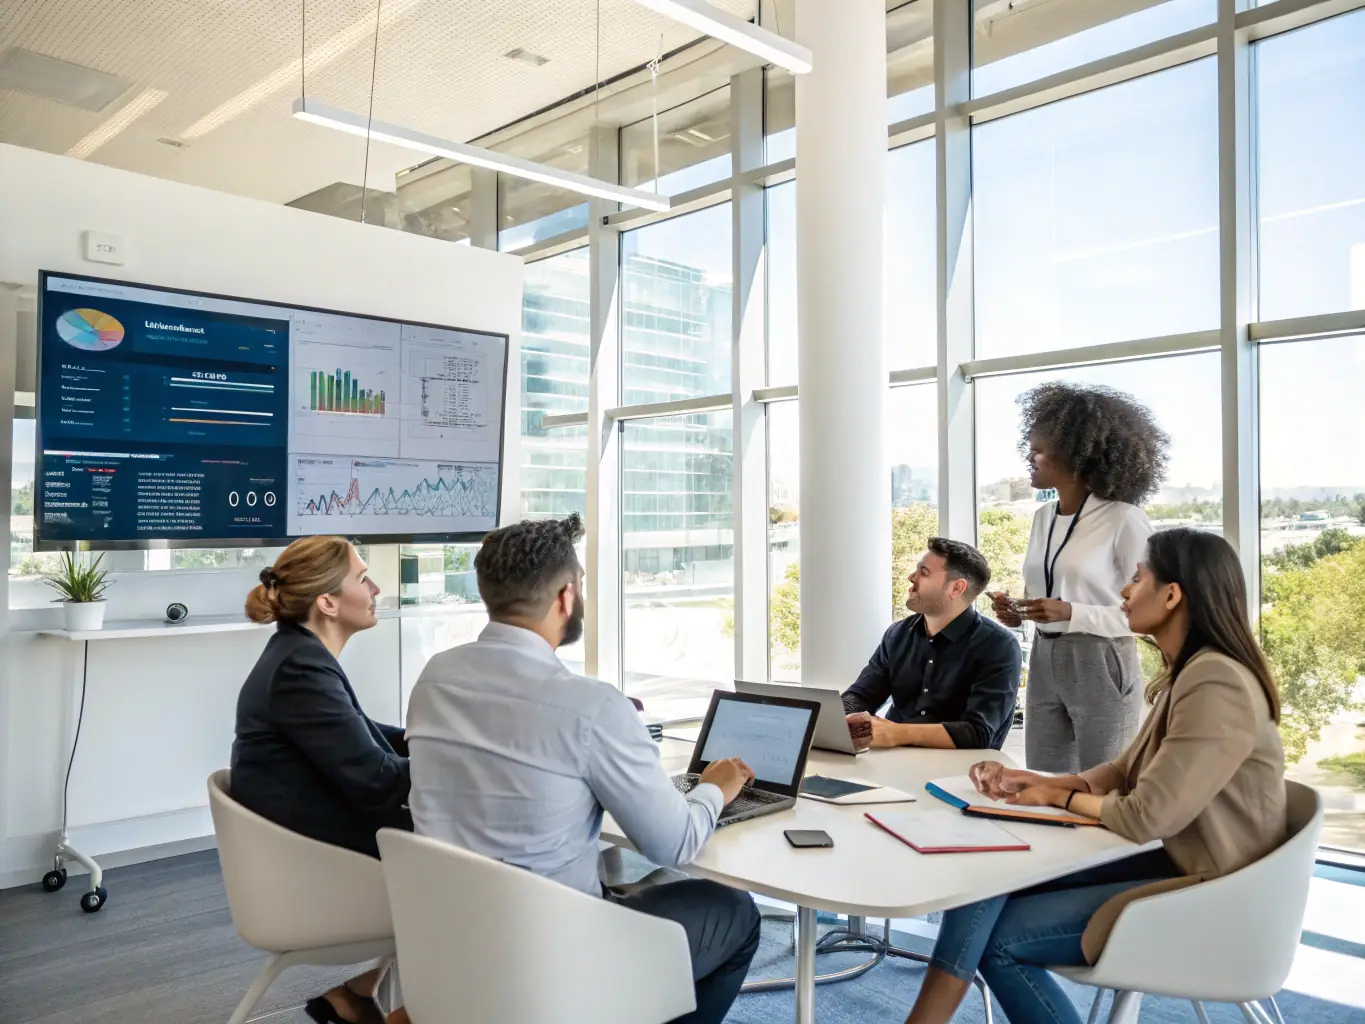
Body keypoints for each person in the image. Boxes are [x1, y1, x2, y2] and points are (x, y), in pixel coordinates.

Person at [902, 528, 1287, 1024]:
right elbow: (1127, 770)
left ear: (1172, 595)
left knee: (1000, 942)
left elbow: (1144, 816)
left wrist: (1052, 798)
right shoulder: (1191, 672)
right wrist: (1044, 784)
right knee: (987, 880)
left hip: (1215, 891)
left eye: (1137, 578)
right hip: (1181, 862)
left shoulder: (1216, 680)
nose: (1124, 591)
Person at [405, 514, 761, 1024]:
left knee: (636, 888)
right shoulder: (591, 706)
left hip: (453, 942)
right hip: (558, 956)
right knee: (735, 910)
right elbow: (674, 843)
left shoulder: (434, 678)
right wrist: (712, 789)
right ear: (566, 596)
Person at [232, 537, 410, 1024]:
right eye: (362, 577)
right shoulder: (300, 668)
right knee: (475, 861)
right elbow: (379, 782)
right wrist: (470, 763)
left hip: (310, 850)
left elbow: (366, 736)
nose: (375, 587)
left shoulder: (297, 655)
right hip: (312, 878)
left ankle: (355, 995)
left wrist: (431, 739)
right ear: (327, 602)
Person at [988, 382, 1171, 773]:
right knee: (1044, 779)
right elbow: (1044, 595)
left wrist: (1072, 613)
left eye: (1038, 449)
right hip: (1044, 656)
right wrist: (1018, 612)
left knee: (1104, 780)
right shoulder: (1042, 518)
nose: (1029, 457)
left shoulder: (1123, 519)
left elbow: (1152, 614)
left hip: (1101, 657)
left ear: (1076, 453)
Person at [842, 537, 1022, 751]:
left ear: (956, 588)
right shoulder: (897, 634)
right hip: (895, 760)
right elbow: (862, 695)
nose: (911, 577)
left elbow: (978, 732)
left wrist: (896, 733)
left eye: (924, 573)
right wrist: (837, 716)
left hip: (959, 773)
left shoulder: (999, 645)